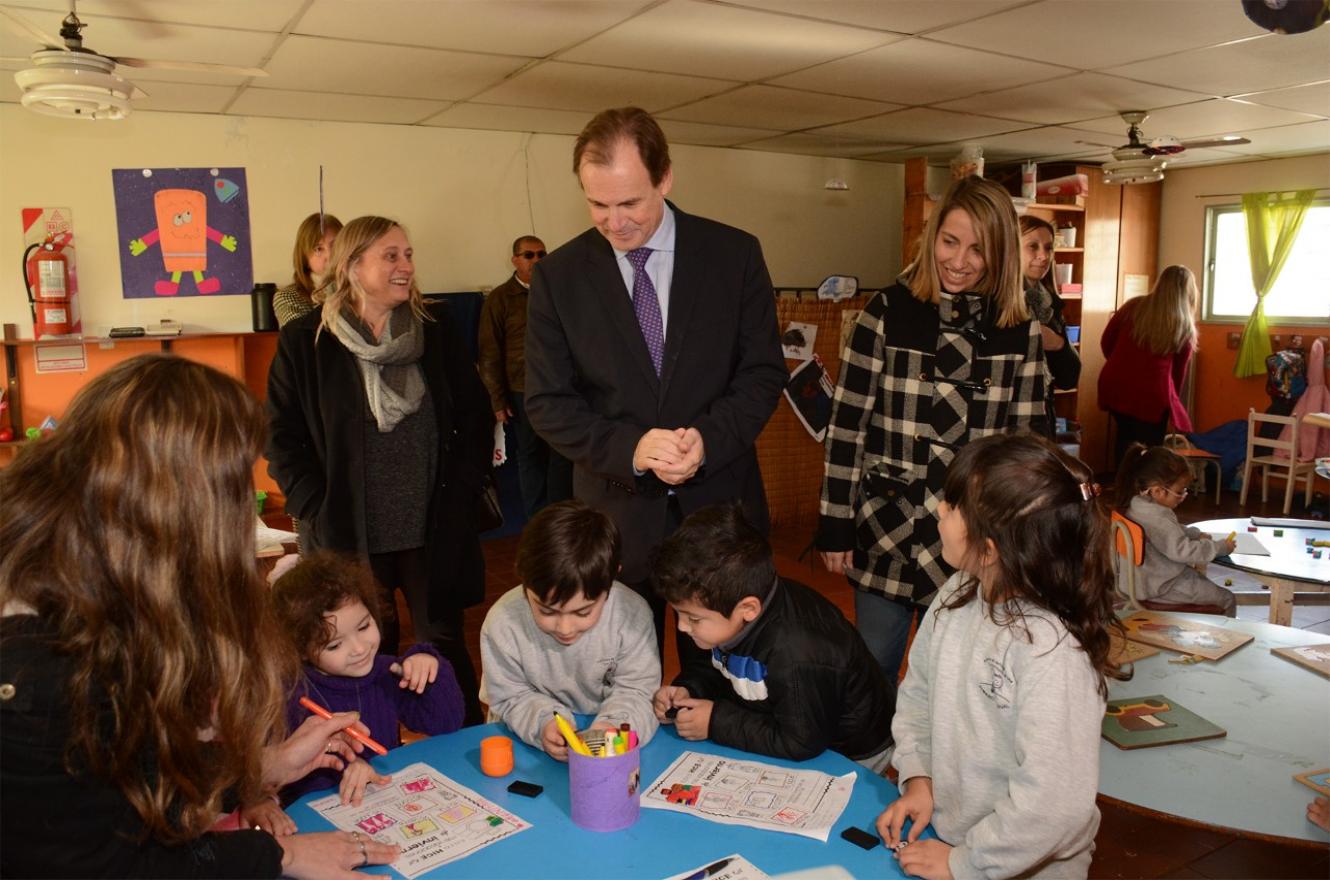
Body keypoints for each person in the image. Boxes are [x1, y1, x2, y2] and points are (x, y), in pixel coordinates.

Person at [0, 354, 399, 877]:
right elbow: (110, 862)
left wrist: (260, 768)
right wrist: (283, 855)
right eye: (233, 489)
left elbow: (128, 779)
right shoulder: (39, 670)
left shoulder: (94, 586)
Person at [524, 107, 787, 656]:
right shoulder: (559, 276)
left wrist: (707, 440)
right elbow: (549, 403)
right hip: (616, 521)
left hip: (719, 515)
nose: (613, 222)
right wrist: (633, 448)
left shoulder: (733, 255)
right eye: (597, 204)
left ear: (664, 178)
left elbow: (762, 373)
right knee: (620, 679)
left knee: (719, 685)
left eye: (629, 203)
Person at [817, 175, 1050, 688]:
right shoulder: (885, 313)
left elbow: (1029, 452)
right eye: (950, 241)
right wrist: (836, 523)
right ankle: (871, 765)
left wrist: (1023, 542)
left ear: (1001, 255)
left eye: (978, 249)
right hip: (887, 530)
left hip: (974, 543)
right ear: (931, 238)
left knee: (955, 680)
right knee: (873, 670)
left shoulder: (1020, 328)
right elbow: (847, 426)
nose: (959, 260)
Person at [267, 215, 493, 726]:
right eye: (391, 256)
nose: (405, 266)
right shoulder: (308, 340)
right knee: (366, 652)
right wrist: (314, 506)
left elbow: (475, 417)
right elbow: (281, 437)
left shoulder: (434, 331)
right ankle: (375, 753)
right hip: (350, 531)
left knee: (442, 641)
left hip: (432, 525)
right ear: (351, 266)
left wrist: (463, 489)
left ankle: (461, 740)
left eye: (408, 255)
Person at [878, 433, 1128, 879]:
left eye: (953, 506)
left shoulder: (1052, 653)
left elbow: (1053, 808)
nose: (939, 509)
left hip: (1021, 864)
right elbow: (918, 696)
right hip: (955, 839)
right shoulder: (956, 593)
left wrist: (964, 864)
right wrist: (920, 779)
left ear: (990, 550)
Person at [652, 503, 896, 772]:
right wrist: (690, 689)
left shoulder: (797, 652)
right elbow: (719, 668)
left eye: (692, 618)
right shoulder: (724, 612)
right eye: (678, 615)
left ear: (748, 609)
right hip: (789, 722)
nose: (683, 627)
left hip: (849, 754)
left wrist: (715, 722)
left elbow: (801, 742)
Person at [240, 552, 465, 828]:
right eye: (334, 645)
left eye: (364, 626)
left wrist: (431, 669)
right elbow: (267, 776)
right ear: (300, 650)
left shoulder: (385, 672)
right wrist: (349, 769)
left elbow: (447, 723)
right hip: (318, 821)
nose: (359, 649)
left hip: (387, 806)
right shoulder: (285, 694)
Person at [479, 500, 659, 761]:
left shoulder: (632, 616)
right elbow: (509, 696)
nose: (564, 628)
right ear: (524, 581)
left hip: (607, 739)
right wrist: (543, 724)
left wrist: (611, 729)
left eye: (583, 612)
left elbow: (639, 692)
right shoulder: (503, 622)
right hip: (524, 746)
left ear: (611, 579)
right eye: (547, 611)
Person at [477, 234, 572, 518]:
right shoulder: (500, 299)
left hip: (560, 387)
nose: (536, 260)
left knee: (562, 454)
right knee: (530, 456)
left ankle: (560, 517)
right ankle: (537, 519)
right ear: (515, 260)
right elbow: (489, 352)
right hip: (522, 389)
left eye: (542, 254)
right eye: (529, 255)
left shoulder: (557, 292)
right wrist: (496, 399)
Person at [1114, 444, 1238, 615]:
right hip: (1161, 586)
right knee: (1227, 599)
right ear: (1158, 490)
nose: (1183, 497)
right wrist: (1221, 547)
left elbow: (1168, 530)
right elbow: (1183, 551)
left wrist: (1194, 534)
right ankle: (1227, 640)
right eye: (1180, 492)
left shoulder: (1138, 505)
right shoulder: (1158, 517)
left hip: (1141, 581)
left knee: (1200, 581)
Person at [1098, 265, 1199, 467]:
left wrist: (1123, 363)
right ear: (1188, 292)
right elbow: (1178, 374)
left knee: (1125, 441)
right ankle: (1143, 494)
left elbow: (1106, 342)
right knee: (1150, 451)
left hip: (1117, 385)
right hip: (1152, 395)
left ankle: (1123, 491)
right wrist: (1172, 404)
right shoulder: (1183, 325)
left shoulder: (1134, 306)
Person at [1019, 214, 1081, 429]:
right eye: (1032, 246)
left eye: (1048, 248)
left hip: (1042, 417)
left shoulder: (1049, 304)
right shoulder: (1000, 302)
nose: (1043, 256)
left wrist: (1057, 343)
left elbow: (1069, 377)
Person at [274, 212, 343, 327]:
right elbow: (302, 341)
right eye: (319, 249)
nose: (330, 255)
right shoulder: (288, 297)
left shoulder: (360, 291)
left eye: (335, 245)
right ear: (304, 256)